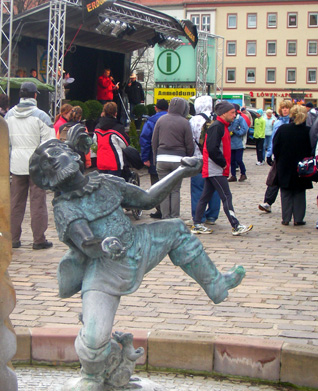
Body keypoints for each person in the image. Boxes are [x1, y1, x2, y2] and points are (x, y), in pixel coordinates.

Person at [29, 135, 245, 390]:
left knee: (176, 229)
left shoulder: (105, 181)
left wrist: (182, 171)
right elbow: (85, 242)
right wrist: (104, 245)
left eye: (55, 152)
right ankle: (92, 374)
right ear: (46, 179)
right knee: (94, 338)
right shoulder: (64, 207)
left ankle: (216, 284)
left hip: (140, 244)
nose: (51, 161)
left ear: (75, 156)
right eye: (44, 163)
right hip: (105, 271)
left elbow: (146, 200)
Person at [5, 81, 55, 249]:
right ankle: (38, 239)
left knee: (16, 202)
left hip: (16, 164)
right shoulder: (42, 116)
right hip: (37, 166)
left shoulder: (9, 116)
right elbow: (50, 145)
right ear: (35, 96)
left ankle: (13, 238)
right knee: (38, 202)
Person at [192, 101, 253, 236]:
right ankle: (235, 225)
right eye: (232, 112)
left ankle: (197, 224)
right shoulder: (217, 127)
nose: (235, 114)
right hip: (215, 168)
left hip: (215, 168)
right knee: (226, 196)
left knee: (205, 197)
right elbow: (212, 148)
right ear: (224, 113)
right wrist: (223, 163)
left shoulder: (222, 126)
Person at [152, 97, 194, 219]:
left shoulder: (160, 120)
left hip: (162, 158)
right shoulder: (184, 122)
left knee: (164, 189)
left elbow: (154, 141)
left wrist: (156, 157)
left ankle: (165, 217)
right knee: (175, 190)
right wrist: (187, 158)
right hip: (178, 160)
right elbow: (189, 144)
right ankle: (174, 216)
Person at [273, 105, 312, 226]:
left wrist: (278, 159)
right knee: (299, 193)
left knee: (285, 192)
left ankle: (286, 218)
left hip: (285, 164)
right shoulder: (308, 131)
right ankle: (298, 218)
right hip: (302, 166)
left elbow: (276, 147)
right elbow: (311, 148)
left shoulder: (283, 129)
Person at [186, 95, 221, 228]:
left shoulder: (194, 120)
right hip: (214, 158)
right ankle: (212, 215)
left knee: (198, 188)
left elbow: (190, 139)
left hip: (198, 157)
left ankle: (198, 216)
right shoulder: (217, 118)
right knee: (215, 187)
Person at [259, 100, 293, 213]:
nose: (285, 110)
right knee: (274, 178)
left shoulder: (293, 122)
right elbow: (273, 140)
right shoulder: (278, 123)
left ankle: (292, 205)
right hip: (279, 155)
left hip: (290, 155)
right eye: (283, 108)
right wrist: (269, 154)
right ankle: (268, 202)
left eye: (287, 108)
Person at [140, 99, 169, 219]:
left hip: (155, 157)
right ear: (167, 109)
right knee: (170, 184)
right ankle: (170, 209)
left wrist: (145, 158)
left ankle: (160, 210)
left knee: (156, 184)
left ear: (156, 108)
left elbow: (145, 140)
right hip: (172, 157)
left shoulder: (151, 121)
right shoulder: (174, 119)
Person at [95, 102, 129, 177]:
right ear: (115, 113)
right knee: (114, 186)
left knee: (103, 185)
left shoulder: (97, 127)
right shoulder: (118, 128)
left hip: (101, 161)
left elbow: (95, 142)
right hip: (115, 162)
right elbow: (125, 144)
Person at [228, 103, 249, 182]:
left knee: (239, 160)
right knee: (232, 161)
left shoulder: (240, 119)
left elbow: (244, 129)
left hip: (239, 144)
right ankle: (233, 175)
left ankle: (243, 174)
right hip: (230, 143)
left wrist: (236, 132)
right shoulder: (229, 119)